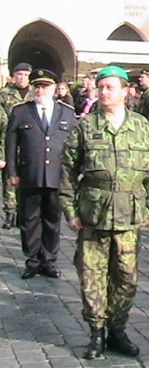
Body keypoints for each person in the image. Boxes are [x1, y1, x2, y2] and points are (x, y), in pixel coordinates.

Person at [59, 65, 149, 360]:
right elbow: (67, 170)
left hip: (129, 216)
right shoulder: (86, 126)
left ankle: (118, 328)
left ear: (125, 91)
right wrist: (70, 209)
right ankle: (97, 333)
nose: (103, 92)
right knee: (92, 276)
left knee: (126, 277)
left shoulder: (141, 126)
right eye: (100, 87)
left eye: (110, 87)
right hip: (93, 215)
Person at [5, 69, 77, 279]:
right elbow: (11, 145)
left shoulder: (66, 112)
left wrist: (72, 176)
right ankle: (32, 260)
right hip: (30, 174)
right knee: (29, 220)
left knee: (52, 219)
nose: (40, 90)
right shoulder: (21, 112)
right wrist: (12, 172)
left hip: (57, 175)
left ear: (54, 89)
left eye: (45, 86)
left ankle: (49, 260)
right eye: (37, 86)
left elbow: (73, 146)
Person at [0, 62, 34, 230]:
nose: (22, 78)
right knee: (9, 181)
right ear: (14, 76)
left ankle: (24, 214)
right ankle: (10, 213)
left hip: (29, 144)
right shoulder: (4, 94)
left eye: (26, 75)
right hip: (8, 143)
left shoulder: (35, 94)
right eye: (19, 74)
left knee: (28, 179)